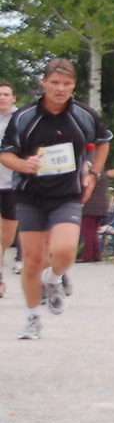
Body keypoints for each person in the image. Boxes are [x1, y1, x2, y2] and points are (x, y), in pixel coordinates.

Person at [1, 59, 112, 340]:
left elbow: (103, 141)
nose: (60, 89)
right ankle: (32, 318)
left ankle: (54, 279)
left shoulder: (84, 115)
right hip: (31, 196)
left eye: (66, 84)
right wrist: (23, 165)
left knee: (64, 251)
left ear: (74, 85)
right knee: (32, 261)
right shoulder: (24, 116)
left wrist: (94, 174)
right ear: (44, 83)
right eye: (55, 83)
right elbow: (5, 153)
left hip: (67, 195)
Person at [0, 81, 17, 292]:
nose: (2, 97)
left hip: (13, 184)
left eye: (6, 94)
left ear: (13, 98)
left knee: (7, 237)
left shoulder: (21, 119)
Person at [79, 161, 110, 262]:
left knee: (87, 231)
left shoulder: (90, 174)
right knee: (93, 231)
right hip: (100, 206)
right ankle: (96, 254)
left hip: (90, 206)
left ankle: (87, 255)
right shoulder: (101, 173)